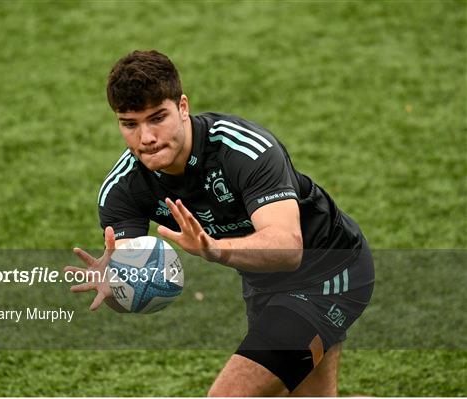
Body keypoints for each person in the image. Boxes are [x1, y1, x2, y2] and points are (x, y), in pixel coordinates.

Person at [65, 50, 375, 396]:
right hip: (263, 284)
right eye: (130, 124)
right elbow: (129, 271)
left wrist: (214, 249)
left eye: (157, 118)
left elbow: (288, 248)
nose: (146, 138)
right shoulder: (123, 190)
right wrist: (115, 286)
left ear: (183, 107)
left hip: (331, 271)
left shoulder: (243, 150)